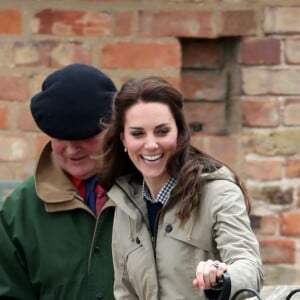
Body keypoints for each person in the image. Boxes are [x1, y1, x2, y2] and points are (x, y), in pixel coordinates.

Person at [98, 76, 264, 299]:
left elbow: (250, 266)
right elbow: (124, 292)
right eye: (137, 133)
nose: (151, 145)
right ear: (123, 140)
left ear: (179, 132)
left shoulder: (218, 193)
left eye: (162, 131)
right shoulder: (124, 205)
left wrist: (222, 278)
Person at [0, 64, 117, 299]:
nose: (73, 150)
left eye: (85, 137)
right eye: (61, 137)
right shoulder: (18, 212)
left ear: (113, 128)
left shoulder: (149, 191)